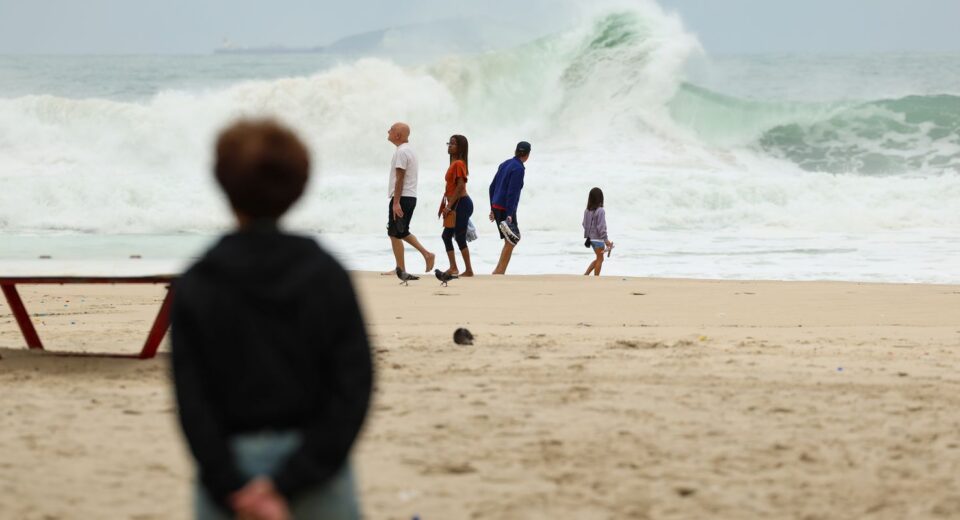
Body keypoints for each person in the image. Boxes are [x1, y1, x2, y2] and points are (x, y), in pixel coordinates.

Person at [171, 119, 373, 520]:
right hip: (318, 470)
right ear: (299, 185)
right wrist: (291, 481)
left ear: (223, 185)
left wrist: (232, 484)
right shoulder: (326, 273)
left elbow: (191, 399)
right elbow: (354, 387)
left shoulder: (200, 279)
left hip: (229, 470)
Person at [386, 122, 435, 275]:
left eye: (391, 129)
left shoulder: (401, 152)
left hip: (403, 197)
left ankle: (426, 254)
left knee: (398, 232)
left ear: (398, 135)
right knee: (395, 232)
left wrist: (395, 203)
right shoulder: (408, 151)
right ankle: (400, 268)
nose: (388, 131)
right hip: (408, 196)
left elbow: (400, 178)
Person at [488, 141, 531, 275]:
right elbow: (512, 193)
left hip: (497, 206)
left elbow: (491, 187)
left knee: (510, 240)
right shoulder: (519, 169)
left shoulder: (505, 164)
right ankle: (499, 271)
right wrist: (510, 214)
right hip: (505, 209)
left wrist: (492, 208)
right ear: (528, 155)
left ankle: (499, 270)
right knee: (512, 240)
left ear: (516, 151)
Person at [438, 134, 474, 276]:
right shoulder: (454, 163)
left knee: (459, 236)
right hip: (456, 203)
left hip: (461, 203)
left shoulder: (459, 163)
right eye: (449, 143)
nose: (450, 146)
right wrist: (447, 204)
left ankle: (468, 270)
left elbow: (460, 187)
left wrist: (449, 206)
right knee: (446, 236)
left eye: (453, 144)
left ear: (460, 147)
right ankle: (454, 267)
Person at [582, 187, 614, 276]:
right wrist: (606, 240)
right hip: (599, 240)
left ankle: (586, 274)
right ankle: (596, 278)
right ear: (600, 198)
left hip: (591, 239)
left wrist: (589, 234)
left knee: (599, 258)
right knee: (600, 259)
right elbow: (601, 227)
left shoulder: (587, 211)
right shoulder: (601, 211)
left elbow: (584, 224)